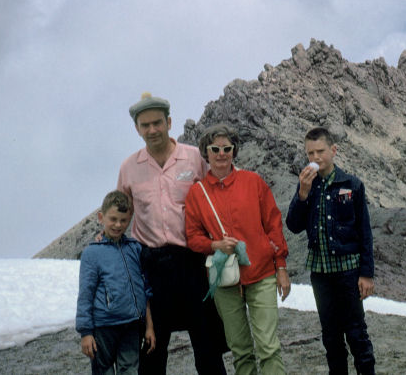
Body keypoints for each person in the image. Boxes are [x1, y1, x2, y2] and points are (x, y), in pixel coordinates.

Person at [117, 92, 227, 375]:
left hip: (192, 262)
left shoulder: (193, 158)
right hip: (151, 265)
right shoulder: (129, 167)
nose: (152, 130)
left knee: (207, 344)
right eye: (145, 125)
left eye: (157, 123)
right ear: (137, 129)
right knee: (152, 348)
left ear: (169, 122)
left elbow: (216, 197)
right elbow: (122, 210)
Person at [184, 124, 291, 375]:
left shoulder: (253, 182)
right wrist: (214, 245)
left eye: (227, 148)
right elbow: (192, 237)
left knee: (268, 347)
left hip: (261, 273)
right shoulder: (196, 193)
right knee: (240, 350)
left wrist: (282, 268)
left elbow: (274, 225)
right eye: (215, 149)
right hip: (225, 280)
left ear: (234, 151)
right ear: (206, 152)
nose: (221, 154)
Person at [286, 127, 376, 375]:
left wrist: (366, 274)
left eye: (320, 152)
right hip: (320, 275)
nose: (315, 158)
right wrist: (302, 194)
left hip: (348, 272)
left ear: (333, 151)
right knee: (331, 337)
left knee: (357, 335)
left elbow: (365, 232)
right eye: (310, 153)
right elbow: (293, 226)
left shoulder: (352, 185)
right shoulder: (307, 186)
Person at [76, 190, 157, 375]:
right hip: (103, 328)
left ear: (130, 219)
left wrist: (149, 326)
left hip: (132, 325)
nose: (118, 225)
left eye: (123, 220)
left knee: (130, 370)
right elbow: (85, 295)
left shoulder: (135, 249)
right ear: (100, 217)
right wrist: (86, 333)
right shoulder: (92, 253)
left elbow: (145, 290)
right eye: (112, 219)